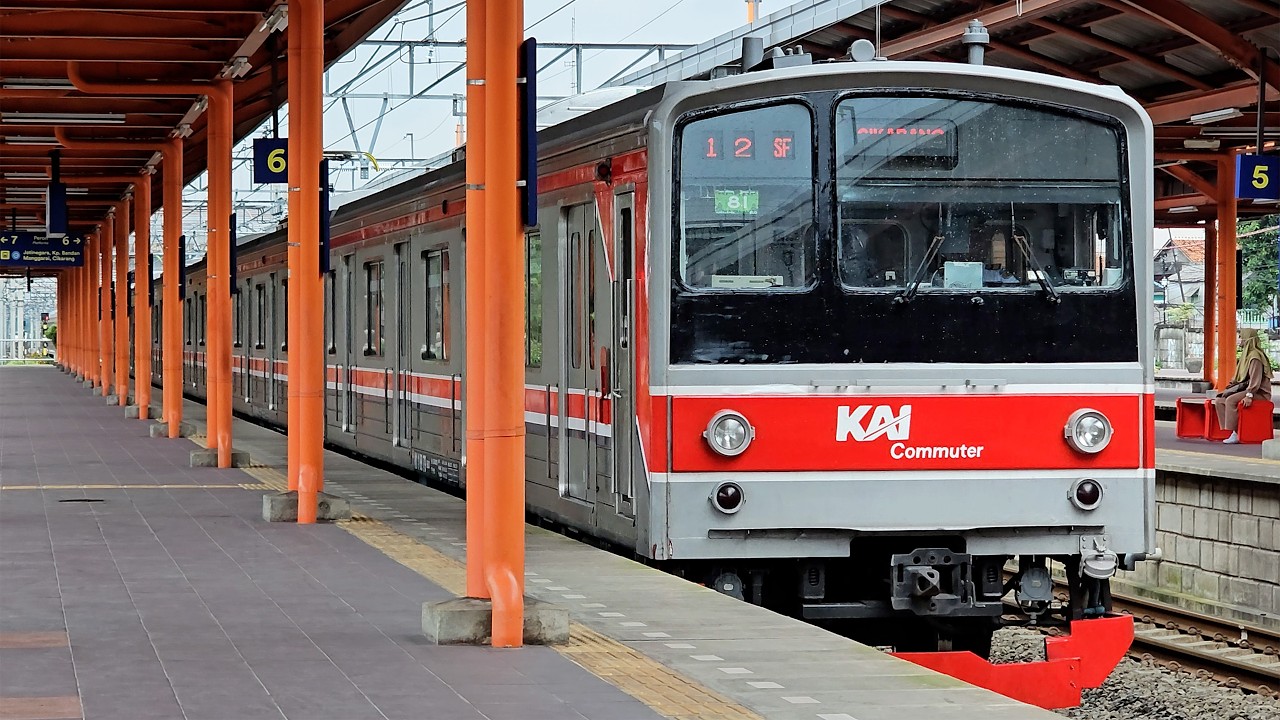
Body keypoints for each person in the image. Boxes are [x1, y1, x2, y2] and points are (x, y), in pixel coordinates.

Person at [1212, 329, 1273, 444]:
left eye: (1241, 337)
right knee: (1220, 400)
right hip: (1247, 389)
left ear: (1248, 339)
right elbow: (1239, 377)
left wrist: (1249, 395)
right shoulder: (1246, 355)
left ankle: (1236, 432)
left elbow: (1255, 380)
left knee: (1230, 400)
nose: (1239, 339)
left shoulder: (1255, 357)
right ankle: (1229, 430)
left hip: (1258, 392)